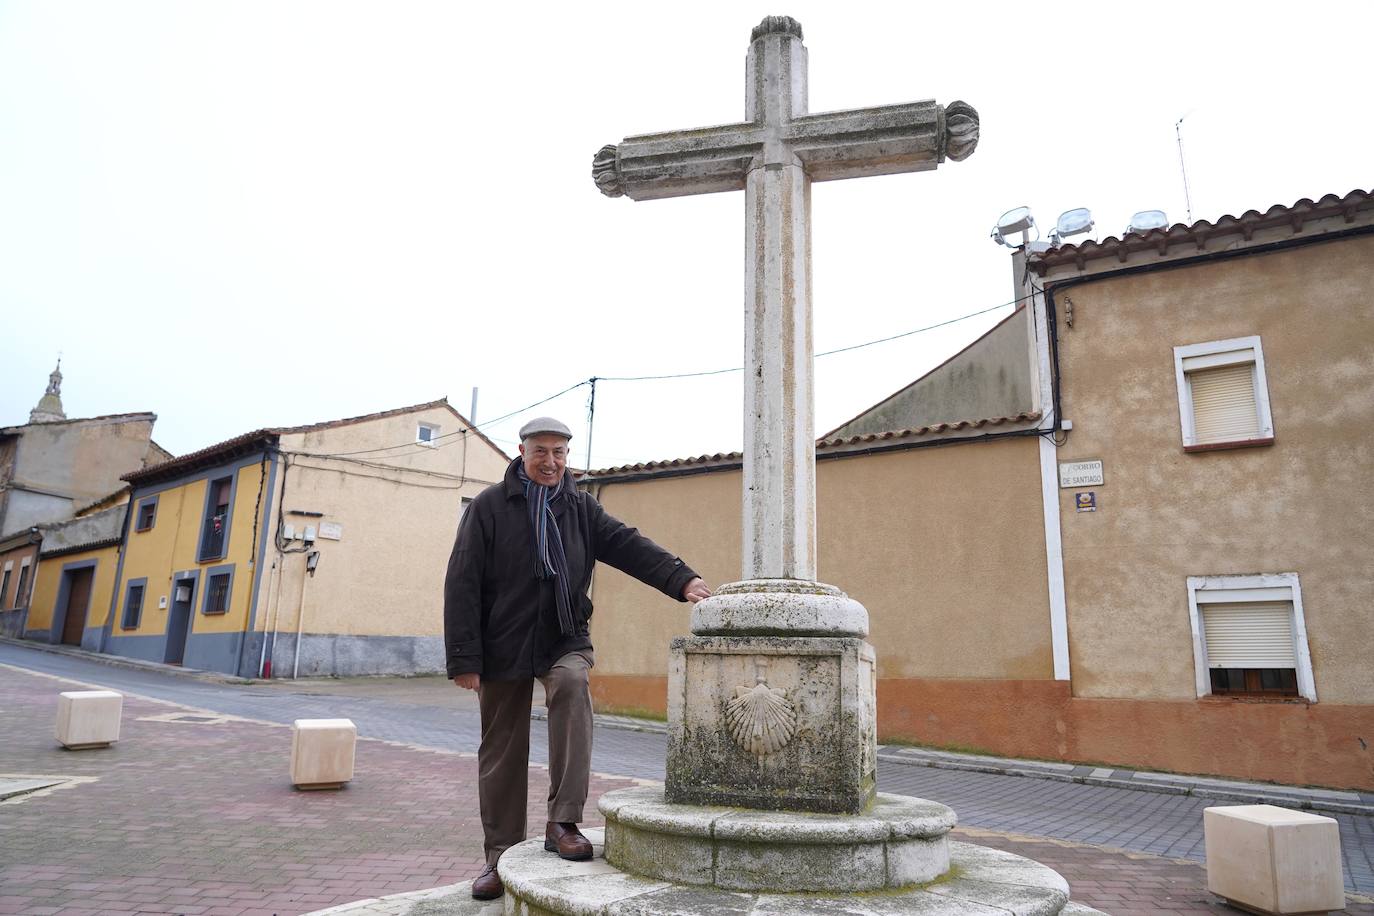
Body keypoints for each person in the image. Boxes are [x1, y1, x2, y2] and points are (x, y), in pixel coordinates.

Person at [444, 416, 711, 900]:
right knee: (503, 746)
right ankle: (498, 854)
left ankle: (562, 822)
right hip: (502, 639)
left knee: (571, 686)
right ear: (521, 452)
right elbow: (462, 581)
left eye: (559, 453)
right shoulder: (489, 507)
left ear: (568, 456)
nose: (550, 461)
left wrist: (682, 579)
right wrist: (465, 658)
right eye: (541, 451)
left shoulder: (580, 507)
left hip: (563, 635)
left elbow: (629, 545)